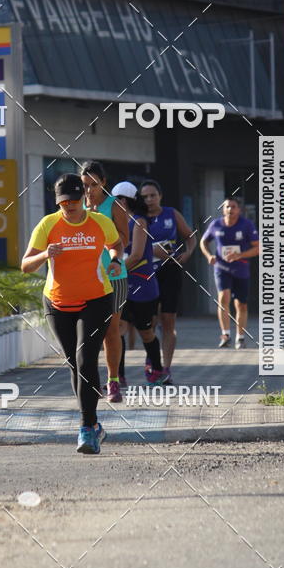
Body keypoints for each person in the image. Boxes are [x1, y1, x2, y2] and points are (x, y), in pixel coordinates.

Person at [21, 173, 123, 455]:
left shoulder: (100, 222)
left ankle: (86, 428)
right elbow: (25, 265)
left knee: (85, 359)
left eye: (74, 201)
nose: (70, 207)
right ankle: (95, 424)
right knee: (74, 365)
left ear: (83, 199)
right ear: (57, 202)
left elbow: (116, 245)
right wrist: (45, 255)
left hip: (97, 299)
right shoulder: (48, 224)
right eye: (64, 202)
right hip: (57, 303)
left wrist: (116, 261)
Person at [81, 160, 129, 402]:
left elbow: (124, 240)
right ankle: (91, 381)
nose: (89, 190)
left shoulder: (115, 205)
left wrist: (100, 224)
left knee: (111, 330)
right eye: (85, 185)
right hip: (85, 277)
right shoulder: (77, 206)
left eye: (94, 184)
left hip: (113, 276)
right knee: (88, 333)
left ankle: (113, 381)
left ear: (104, 183)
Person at [140, 179, 197, 384]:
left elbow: (190, 236)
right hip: (147, 272)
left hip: (170, 271)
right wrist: (151, 250)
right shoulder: (137, 218)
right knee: (150, 321)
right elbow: (127, 245)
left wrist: (188, 252)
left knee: (168, 320)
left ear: (160, 196)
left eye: (152, 195)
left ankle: (166, 368)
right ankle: (152, 359)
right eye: (144, 197)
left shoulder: (171, 214)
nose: (149, 200)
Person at [112, 182, 169, 384]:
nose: (111, 204)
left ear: (124, 200)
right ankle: (118, 376)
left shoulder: (139, 221)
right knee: (118, 329)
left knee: (146, 332)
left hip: (142, 286)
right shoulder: (114, 222)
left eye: (114, 200)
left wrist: (114, 271)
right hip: (121, 286)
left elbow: (136, 255)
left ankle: (158, 370)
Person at [200, 197, 260, 349]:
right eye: (227, 206)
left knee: (241, 304)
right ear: (223, 209)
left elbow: (258, 247)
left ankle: (240, 337)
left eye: (233, 207)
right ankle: (225, 335)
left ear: (239, 210)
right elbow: (203, 242)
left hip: (241, 269)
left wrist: (240, 255)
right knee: (223, 297)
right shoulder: (216, 224)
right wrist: (209, 256)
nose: (230, 209)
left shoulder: (246, 225)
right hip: (221, 268)